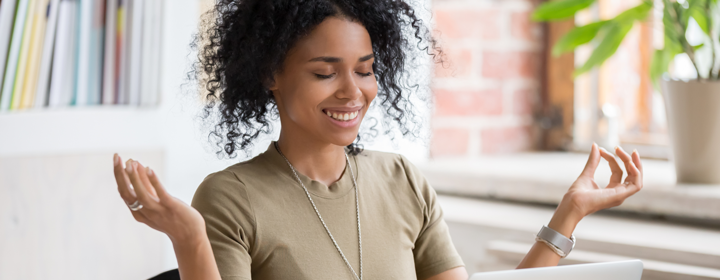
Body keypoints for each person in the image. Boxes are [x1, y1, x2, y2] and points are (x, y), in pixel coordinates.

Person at [111, 1, 644, 279]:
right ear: (271, 73)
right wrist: (190, 240)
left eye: (365, 70)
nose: (353, 92)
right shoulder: (231, 198)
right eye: (325, 72)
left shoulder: (401, 179)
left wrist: (567, 217)